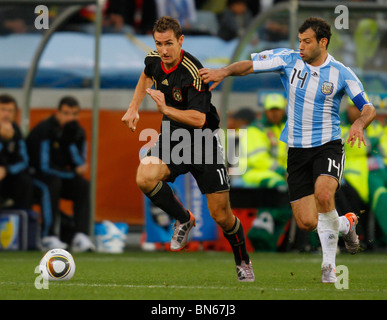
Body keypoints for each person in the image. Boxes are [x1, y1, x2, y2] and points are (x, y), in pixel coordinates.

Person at [199, 17, 376, 283]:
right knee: (306, 221)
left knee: (324, 193)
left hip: (327, 145)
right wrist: (223, 71)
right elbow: (250, 65)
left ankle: (329, 267)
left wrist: (359, 124)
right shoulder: (288, 59)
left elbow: (368, 107)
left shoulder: (341, 72)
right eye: (299, 41)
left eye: (307, 42)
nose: (301, 46)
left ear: (323, 42)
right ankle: (347, 223)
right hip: (296, 151)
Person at [121, 16, 254, 282]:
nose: (164, 50)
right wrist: (133, 107)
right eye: (159, 44)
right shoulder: (154, 58)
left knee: (221, 215)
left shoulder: (194, 72)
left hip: (203, 142)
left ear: (181, 40)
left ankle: (243, 260)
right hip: (173, 138)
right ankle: (184, 219)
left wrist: (164, 109)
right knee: (144, 177)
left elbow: (199, 119)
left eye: (169, 43)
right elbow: (146, 75)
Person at [27, 96, 94, 252]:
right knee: (52, 183)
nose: (70, 117)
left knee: (83, 185)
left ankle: (80, 235)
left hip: (62, 175)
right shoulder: (45, 130)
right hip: (36, 176)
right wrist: (71, 173)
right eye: (66, 113)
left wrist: (70, 140)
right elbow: (44, 166)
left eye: (74, 114)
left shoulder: (77, 132)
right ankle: (48, 236)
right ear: (58, 113)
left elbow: (80, 164)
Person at [0, 94, 33, 209]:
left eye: (10, 111)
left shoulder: (16, 130)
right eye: (3, 110)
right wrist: (3, 140)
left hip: (9, 175)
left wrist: (6, 169)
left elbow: (24, 160)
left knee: (25, 181)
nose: (6, 114)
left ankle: (23, 218)